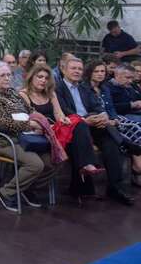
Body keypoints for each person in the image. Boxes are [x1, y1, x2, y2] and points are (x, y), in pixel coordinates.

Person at [0, 62, 56, 212]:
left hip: (24, 138)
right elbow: (3, 124)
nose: (7, 78)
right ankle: (6, 193)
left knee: (53, 161)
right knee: (36, 165)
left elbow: (30, 110)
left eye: (9, 74)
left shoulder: (12, 93)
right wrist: (30, 125)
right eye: (3, 75)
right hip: (2, 141)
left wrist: (41, 122)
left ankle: (26, 188)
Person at [56, 57, 134, 205]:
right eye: (73, 68)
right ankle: (124, 143)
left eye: (79, 69)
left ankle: (115, 188)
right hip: (72, 126)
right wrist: (84, 120)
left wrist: (102, 115)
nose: (77, 71)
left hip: (91, 124)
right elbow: (63, 110)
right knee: (82, 125)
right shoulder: (57, 88)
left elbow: (96, 105)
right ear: (63, 70)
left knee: (110, 143)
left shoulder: (84, 88)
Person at [19, 64, 105, 193]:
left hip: (55, 130)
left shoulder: (50, 93)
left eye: (46, 78)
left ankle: (83, 176)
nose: (43, 80)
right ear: (31, 77)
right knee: (78, 135)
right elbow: (29, 119)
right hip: (39, 131)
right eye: (40, 77)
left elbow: (59, 114)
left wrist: (63, 120)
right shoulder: (23, 94)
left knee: (78, 123)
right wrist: (50, 126)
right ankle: (85, 173)